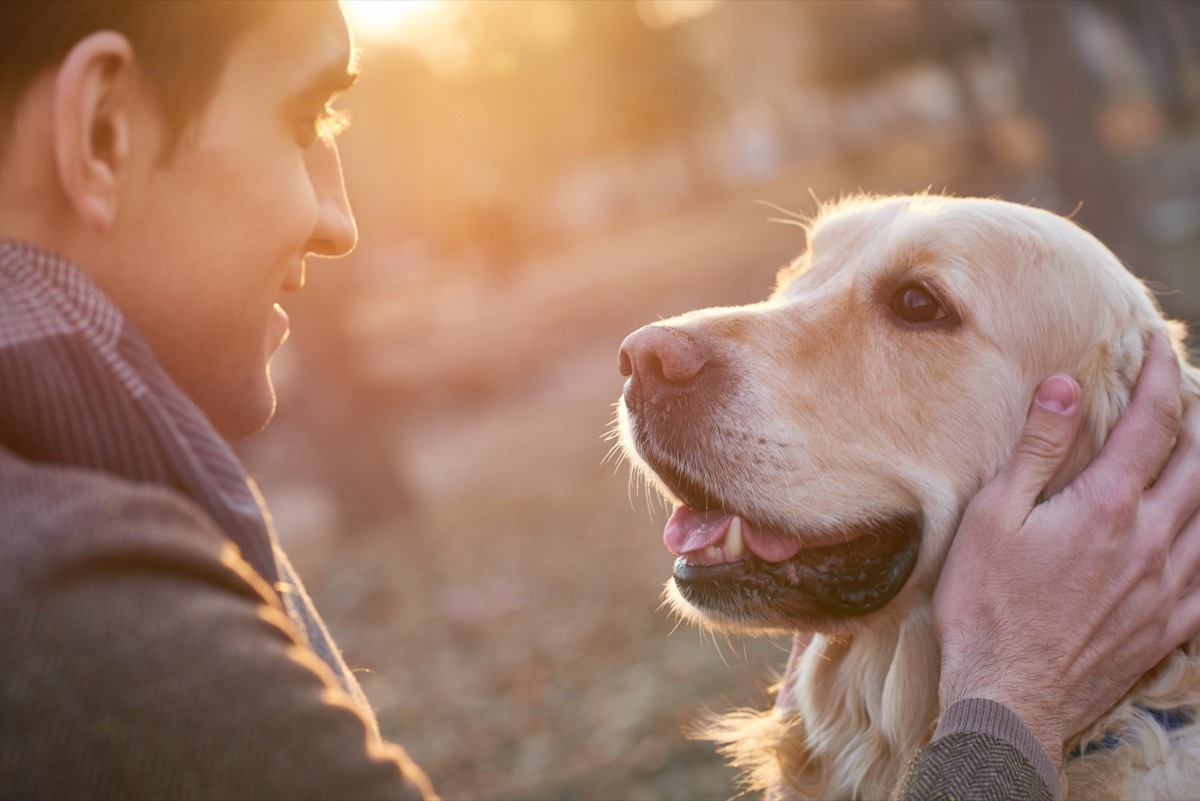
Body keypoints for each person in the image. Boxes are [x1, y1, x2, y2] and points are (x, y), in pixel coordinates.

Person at [0, 3, 1197, 800]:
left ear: (1122, 462)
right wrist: (1008, 711)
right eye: (307, 119)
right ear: (100, 129)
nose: (341, 217)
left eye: (917, 309)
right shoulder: (79, 610)